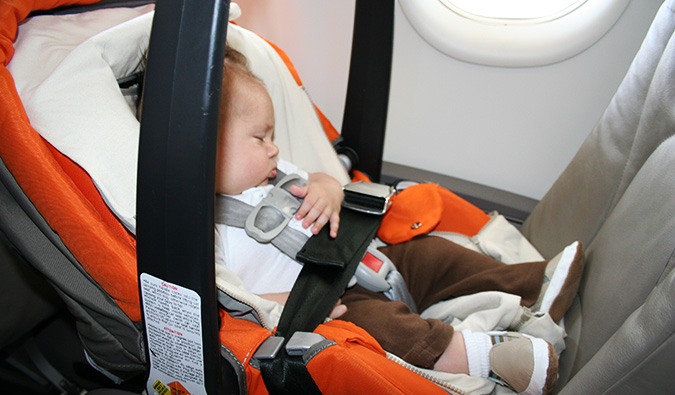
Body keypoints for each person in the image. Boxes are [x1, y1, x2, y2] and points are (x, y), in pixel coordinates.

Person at [213, 46, 584, 395]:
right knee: (384, 328)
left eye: (273, 135)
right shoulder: (209, 231)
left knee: (433, 254)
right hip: (329, 309)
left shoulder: (279, 173)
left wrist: (327, 190)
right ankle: (483, 357)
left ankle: (534, 284)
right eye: (259, 138)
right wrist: (297, 304)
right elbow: (236, 300)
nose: (274, 147)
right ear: (207, 151)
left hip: (366, 259)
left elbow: (324, 179)